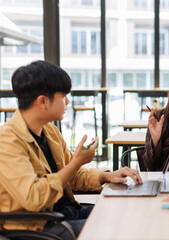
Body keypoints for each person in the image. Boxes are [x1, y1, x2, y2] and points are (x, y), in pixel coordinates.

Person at [0, 60, 142, 240]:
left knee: (129, 213)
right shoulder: (7, 141)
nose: (68, 101)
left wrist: (105, 176)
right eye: (63, 96)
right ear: (42, 101)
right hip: (38, 225)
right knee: (119, 228)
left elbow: (70, 175)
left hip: (66, 213)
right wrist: (76, 162)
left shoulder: (49, 130)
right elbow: (33, 198)